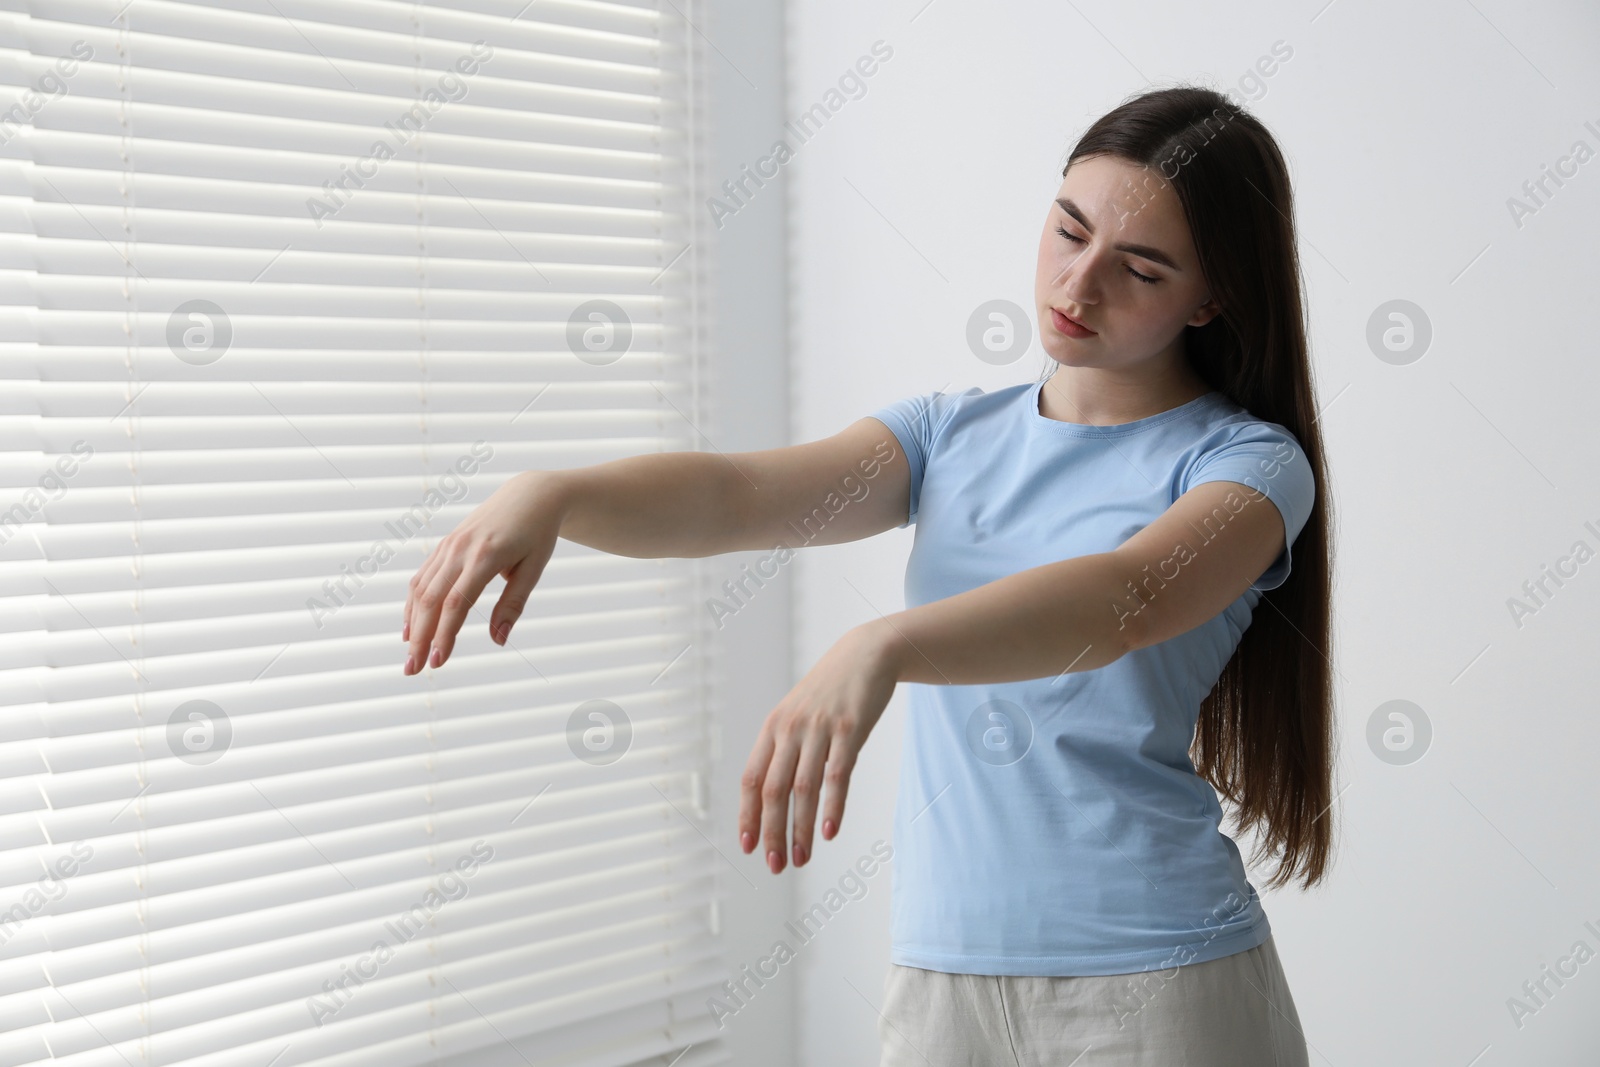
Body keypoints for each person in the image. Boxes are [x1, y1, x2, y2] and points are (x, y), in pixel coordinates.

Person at [400, 83, 1331, 1067]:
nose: (1080, 281)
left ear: (1211, 297)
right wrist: (557, 493)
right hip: (939, 978)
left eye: (1139, 268)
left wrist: (883, 643)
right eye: (1068, 230)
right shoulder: (947, 435)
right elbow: (737, 496)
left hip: (1161, 983)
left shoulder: (1247, 465)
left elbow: (1129, 596)